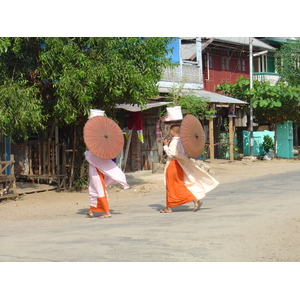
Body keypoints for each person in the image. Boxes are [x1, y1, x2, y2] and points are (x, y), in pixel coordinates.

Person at [160, 124, 219, 213]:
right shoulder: (182, 142)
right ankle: (173, 205)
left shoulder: (174, 142)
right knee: (178, 184)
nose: (169, 132)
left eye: (170, 131)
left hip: (173, 164)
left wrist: (165, 146)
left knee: (172, 185)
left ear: (173, 132)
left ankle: (173, 206)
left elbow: (171, 154)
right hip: (179, 165)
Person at [85, 149, 130, 219]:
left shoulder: (93, 153)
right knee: (93, 191)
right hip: (94, 174)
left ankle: (107, 212)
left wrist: (88, 150)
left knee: (100, 192)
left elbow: (88, 155)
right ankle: (91, 210)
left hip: (97, 175)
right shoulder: (100, 153)